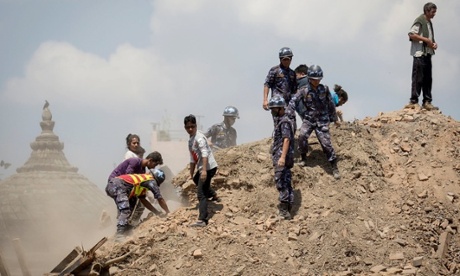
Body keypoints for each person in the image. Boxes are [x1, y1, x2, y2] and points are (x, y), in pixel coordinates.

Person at [288, 65, 340, 179]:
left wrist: (335, 119)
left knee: (326, 143)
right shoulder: (304, 90)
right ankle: (303, 158)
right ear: (309, 78)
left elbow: (331, 104)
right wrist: (289, 111)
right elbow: (293, 100)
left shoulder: (324, 89)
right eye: (314, 79)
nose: (316, 82)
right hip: (309, 119)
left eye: (318, 80)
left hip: (322, 120)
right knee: (302, 136)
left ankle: (334, 166)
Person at [105, 168, 170, 236]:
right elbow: (160, 198)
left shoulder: (143, 182)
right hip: (117, 185)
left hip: (113, 186)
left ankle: (124, 228)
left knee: (129, 207)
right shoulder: (151, 180)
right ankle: (119, 235)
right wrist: (168, 212)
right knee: (125, 210)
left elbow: (144, 201)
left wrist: (157, 212)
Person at [184, 114, 219, 227]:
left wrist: (203, 170)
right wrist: (191, 173)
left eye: (192, 126)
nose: (190, 129)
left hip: (208, 167)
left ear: (196, 126)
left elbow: (205, 154)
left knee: (201, 193)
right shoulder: (191, 139)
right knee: (196, 179)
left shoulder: (199, 138)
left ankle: (202, 220)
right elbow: (192, 158)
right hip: (203, 167)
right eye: (188, 127)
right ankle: (213, 195)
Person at [405, 2, 438, 111]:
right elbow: (411, 35)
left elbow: (429, 37)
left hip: (427, 53)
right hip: (419, 54)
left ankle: (427, 101)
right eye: (433, 12)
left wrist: (433, 43)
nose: (434, 14)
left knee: (428, 78)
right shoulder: (420, 21)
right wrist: (426, 40)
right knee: (418, 78)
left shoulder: (429, 22)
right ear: (427, 11)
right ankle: (413, 101)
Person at [268, 96, 295, 220]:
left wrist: (282, 157)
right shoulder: (283, 120)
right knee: (286, 179)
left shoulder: (284, 121)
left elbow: (286, 139)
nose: (272, 111)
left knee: (281, 180)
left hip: (282, 156)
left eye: (274, 109)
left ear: (280, 108)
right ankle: (288, 208)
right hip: (282, 155)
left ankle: (284, 210)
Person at [263, 47, 297, 111]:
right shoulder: (274, 70)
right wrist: (265, 100)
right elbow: (267, 84)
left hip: (288, 105)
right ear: (280, 59)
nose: (286, 62)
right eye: (284, 60)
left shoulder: (292, 73)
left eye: (288, 59)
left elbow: (294, 90)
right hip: (277, 104)